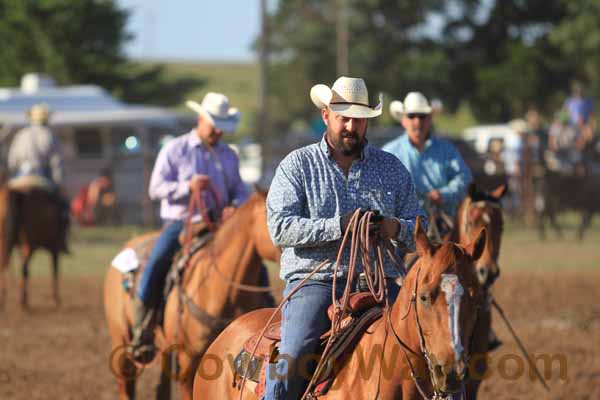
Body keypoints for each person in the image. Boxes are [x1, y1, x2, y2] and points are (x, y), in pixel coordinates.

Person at [264, 76, 425, 399]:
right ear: (327, 116)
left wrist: (393, 228)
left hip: (381, 281)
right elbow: (280, 228)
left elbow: (421, 231)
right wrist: (339, 225)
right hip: (316, 281)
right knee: (294, 354)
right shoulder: (297, 166)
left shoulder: (392, 169)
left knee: (434, 344)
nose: (352, 126)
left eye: (359, 119)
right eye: (344, 118)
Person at [131, 92, 274, 362]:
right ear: (200, 119)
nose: (218, 131)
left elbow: (240, 191)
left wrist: (237, 206)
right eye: (214, 125)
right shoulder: (175, 149)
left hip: (222, 225)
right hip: (182, 223)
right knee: (157, 262)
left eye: (222, 127)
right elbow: (155, 188)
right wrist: (187, 186)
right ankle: (143, 329)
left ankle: (269, 325)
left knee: (256, 269)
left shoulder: (228, 155)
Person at [384, 92, 472, 237]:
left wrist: (444, 194)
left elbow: (465, 177)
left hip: (444, 224)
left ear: (430, 119)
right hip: (403, 229)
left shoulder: (447, 149)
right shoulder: (389, 152)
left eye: (422, 116)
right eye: (411, 116)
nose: (417, 122)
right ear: (403, 120)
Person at [7, 103, 69, 251]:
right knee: (63, 207)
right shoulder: (50, 135)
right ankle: (61, 240)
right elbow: (56, 163)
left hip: (17, 180)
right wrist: (59, 184)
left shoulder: (21, 134)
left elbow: (12, 161)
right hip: (41, 180)